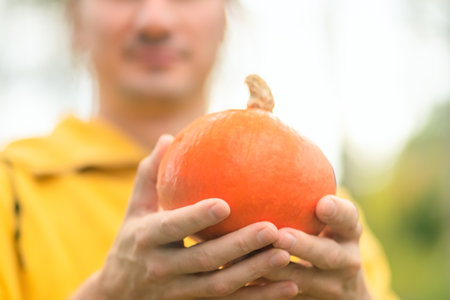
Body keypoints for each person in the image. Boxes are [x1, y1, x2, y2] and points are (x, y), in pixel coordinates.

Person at [0, 0, 399, 299]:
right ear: (75, 19)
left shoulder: (327, 221)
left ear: (226, 15)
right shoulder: (12, 190)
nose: (155, 21)